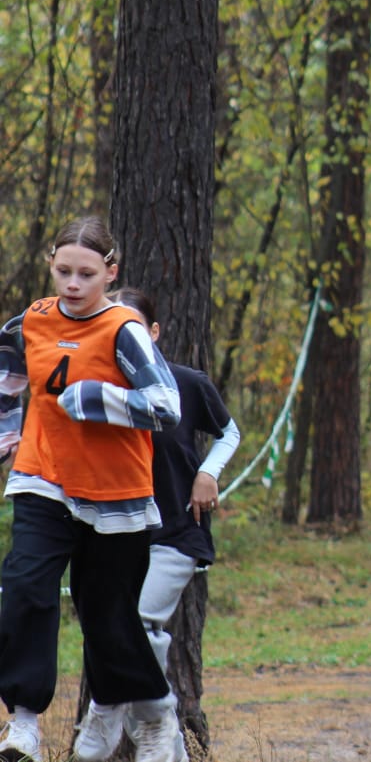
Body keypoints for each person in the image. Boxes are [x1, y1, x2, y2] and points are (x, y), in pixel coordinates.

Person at [0, 217, 185, 762]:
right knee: (23, 588)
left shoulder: (123, 329)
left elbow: (167, 405)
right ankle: (24, 723)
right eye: (63, 272)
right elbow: (9, 369)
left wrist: (97, 398)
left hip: (115, 495)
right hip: (43, 478)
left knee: (106, 613)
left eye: (86, 274)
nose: (73, 285)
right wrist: (8, 429)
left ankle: (152, 714)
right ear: (51, 266)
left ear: (111, 272)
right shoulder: (31, 320)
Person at [84, 287, 239, 757]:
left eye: (133, 328)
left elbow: (228, 431)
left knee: (138, 620)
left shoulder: (184, 382)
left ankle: (107, 708)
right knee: (123, 629)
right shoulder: (99, 391)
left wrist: (208, 473)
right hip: (118, 535)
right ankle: (165, 737)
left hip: (176, 531)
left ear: (152, 332)